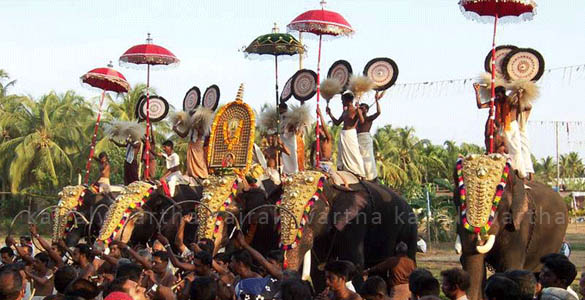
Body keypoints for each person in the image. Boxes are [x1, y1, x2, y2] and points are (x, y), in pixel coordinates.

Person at [327, 91, 366, 178]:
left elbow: (362, 121)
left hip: (350, 134)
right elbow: (337, 122)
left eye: (343, 100)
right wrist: (330, 113)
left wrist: (359, 110)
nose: (342, 102)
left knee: (354, 152)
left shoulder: (356, 110)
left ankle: (359, 172)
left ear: (348, 101)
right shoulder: (345, 111)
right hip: (343, 134)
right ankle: (342, 170)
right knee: (342, 152)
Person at [357, 91, 384, 181]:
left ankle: (370, 177)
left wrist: (376, 100)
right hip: (357, 139)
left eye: (363, 108)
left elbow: (379, 112)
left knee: (368, 160)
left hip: (365, 139)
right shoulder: (356, 120)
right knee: (358, 158)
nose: (361, 109)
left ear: (367, 110)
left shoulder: (369, 119)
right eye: (360, 108)